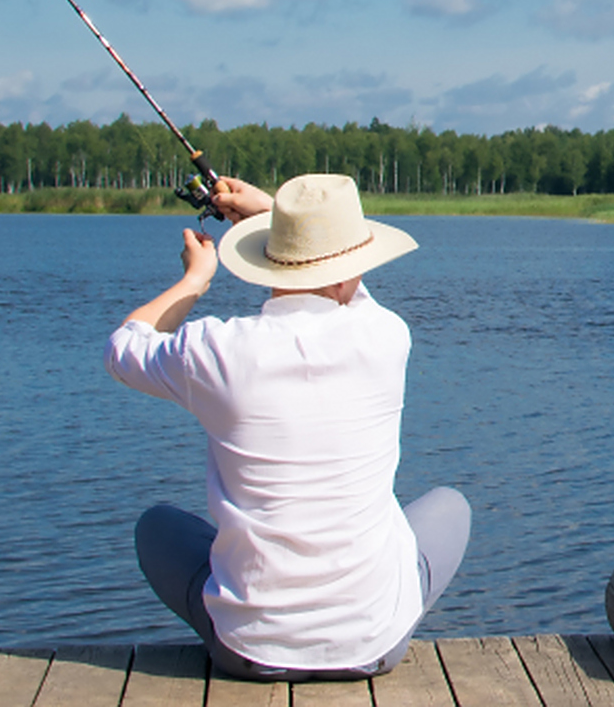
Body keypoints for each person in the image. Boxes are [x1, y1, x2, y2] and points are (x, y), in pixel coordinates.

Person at [106, 172, 470, 680]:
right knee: (451, 506)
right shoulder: (387, 337)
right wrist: (272, 215)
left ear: (264, 263)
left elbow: (124, 348)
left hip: (249, 652)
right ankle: (366, 617)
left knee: (156, 527)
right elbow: (347, 286)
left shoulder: (215, 350)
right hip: (375, 646)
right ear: (351, 269)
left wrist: (196, 279)